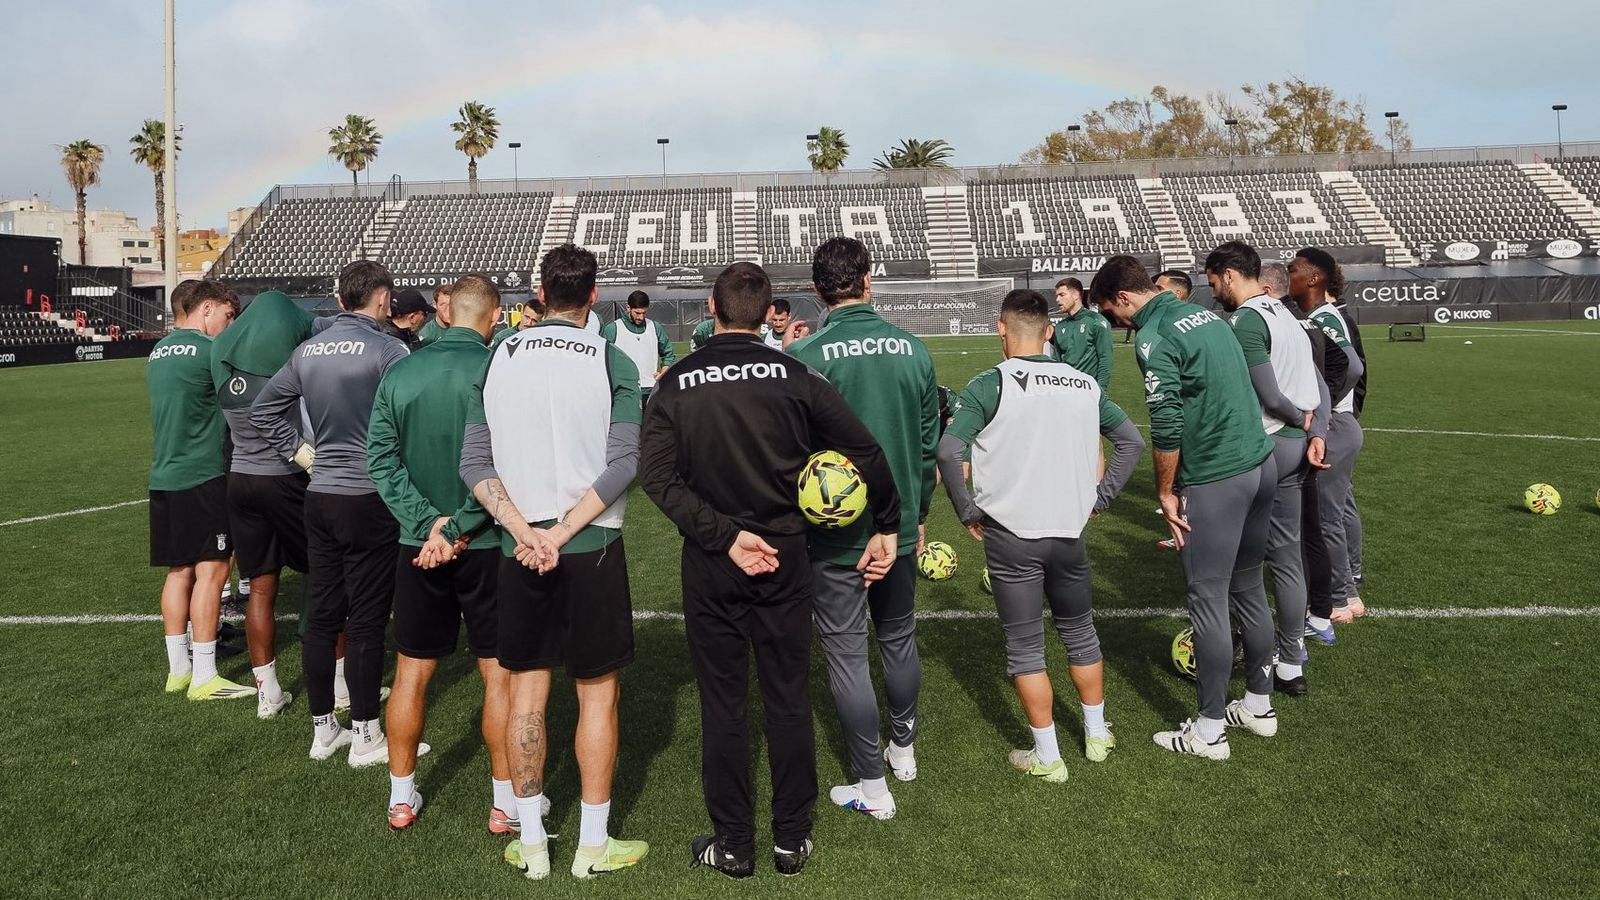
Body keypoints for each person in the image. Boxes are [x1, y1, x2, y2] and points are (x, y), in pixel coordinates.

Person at [640, 262, 900, 879]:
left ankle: (734, 844)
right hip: (784, 555)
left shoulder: (677, 382)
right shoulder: (796, 374)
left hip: (713, 562)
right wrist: (886, 520)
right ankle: (790, 840)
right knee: (786, 699)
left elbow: (656, 477)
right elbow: (865, 450)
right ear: (766, 315)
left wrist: (724, 536)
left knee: (724, 705)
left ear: (711, 307)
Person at [459, 244, 648, 881]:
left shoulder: (497, 356)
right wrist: (563, 532)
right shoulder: (610, 356)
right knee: (597, 697)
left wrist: (525, 532)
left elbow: (474, 463)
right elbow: (625, 462)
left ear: (540, 295)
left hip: (521, 550)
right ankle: (592, 846)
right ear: (593, 298)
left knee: (525, 692)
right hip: (589, 546)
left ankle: (534, 842)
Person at [938, 289, 1145, 780]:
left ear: (1001, 330)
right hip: (1069, 531)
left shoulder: (991, 383)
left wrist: (967, 510)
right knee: (1079, 631)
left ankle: (1048, 757)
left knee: (1026, 647)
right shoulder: (1083, 384)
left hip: (1011, 535)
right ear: (1050, 332)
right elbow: (1131, 441)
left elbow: (949, 452)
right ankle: (1096, 734)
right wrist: (1101, 496)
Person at [1090, 255, 1278, 761]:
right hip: (1261, 464)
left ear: (1125, 298)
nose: (1117, 325)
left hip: (1217, 476)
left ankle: (1209, 730)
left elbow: (1167, 424)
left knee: (1208, 597)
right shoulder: (1208, 316)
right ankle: (1259, 705)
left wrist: (1166, 491)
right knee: (1248, 586)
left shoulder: (1156, 338)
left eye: (1112, 314)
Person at [787, 237, 938, 820]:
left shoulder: (808, 356)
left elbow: (792, 452)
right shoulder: (913, 351)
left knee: (848, 653)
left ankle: (872, 785)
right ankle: (904, 749)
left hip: (835, 536)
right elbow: (927, 449)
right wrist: (916, 518)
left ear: (818, 291)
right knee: (898, 636)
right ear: (868, 280)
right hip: (895, 527)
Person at [251, 260, 411, 766]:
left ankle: (324, 731)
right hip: (369, 496)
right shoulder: (389, 348)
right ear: (383, 301)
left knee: (321, 616)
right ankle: (366, 736)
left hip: (319, 495)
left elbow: (263, 410)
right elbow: (409, 415)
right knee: (365, 618)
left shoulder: (307, 350)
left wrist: (301, 453)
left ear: (341, 300)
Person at [367, 274, 509, 832]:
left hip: (420, 547)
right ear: (495, 317)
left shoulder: (401, 371)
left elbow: (380, 460)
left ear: (447, 313)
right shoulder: (499, 371)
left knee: (411, 674)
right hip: (489, 541)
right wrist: (458, 526)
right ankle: (504, 803)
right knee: (499, 675)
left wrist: (429, 525)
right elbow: (508, 465)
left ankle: (400, 797)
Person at [1207, 244, 1329, 698]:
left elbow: (1269, 394)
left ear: (1231, 275)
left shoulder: (1247, 321)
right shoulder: (1286, 314)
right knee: (1287, 555)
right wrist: (1312, 426)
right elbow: (1313, 384)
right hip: (1296, 445)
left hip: (1267, 442)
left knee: (1243, 561)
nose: (1212, 289)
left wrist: (1297, 418)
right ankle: (1292, 663)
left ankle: (1248, 653)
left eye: (1214, 279)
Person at [211, 289, 319, 718]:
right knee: (326, 575)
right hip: (284, 478)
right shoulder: (278, 369)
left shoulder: (226, 358)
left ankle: (267, 692)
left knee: (259, 587)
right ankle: (340, 682)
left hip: (240, 477)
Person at [146, 279, 253, 701]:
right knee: (214, 570)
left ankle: (178, 671)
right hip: (203, 474)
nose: (229, 326)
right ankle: (206, 676)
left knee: (179, 571)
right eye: (227, 316)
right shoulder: (209, 352)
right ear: (206, 308)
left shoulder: (157, 353)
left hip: (164, 475)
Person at [1290, 248, 1367, 623]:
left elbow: (1351, 366)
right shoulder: (1315, 316)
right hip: (1341, 422)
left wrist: (1321, 412)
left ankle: (1337, 598)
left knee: (1325, 518)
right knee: (1339, 509)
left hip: (1335, 424)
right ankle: (1349, 587)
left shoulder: (1322, 316)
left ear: (1313, 279)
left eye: (1293, 272)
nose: (1288, 278)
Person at [601, 290, 677, 405]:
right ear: (628, 308)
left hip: (651, 390)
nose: (641, 317)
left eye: (644, 313)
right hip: (624, 392)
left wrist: (664, 371)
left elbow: (669, 354)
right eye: (637, 313)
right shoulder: (613, 329)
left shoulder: (655, 327)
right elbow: (602, 359)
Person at [1047, 276, 1113, 389]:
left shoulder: (1097, 322)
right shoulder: (1060, 326)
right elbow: (1056, 360)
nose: (1057, 299)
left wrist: (1101, 390)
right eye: (1057, 296)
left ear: (1076, 295)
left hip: (1089, 390)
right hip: (1066, 390)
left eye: (1062, 295)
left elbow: (1105, 358)